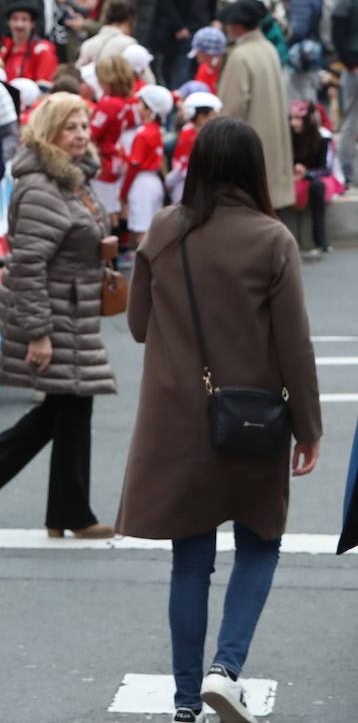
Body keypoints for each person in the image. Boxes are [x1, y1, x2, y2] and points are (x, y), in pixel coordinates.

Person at [117, 116, 321, 723]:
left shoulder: (163, 230)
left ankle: (185, 701)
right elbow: (296, 346)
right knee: (260, 543)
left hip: (178, 420)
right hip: (253, 419)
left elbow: (136, 325)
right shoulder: (272, 238)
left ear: (198, 166)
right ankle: (224, 670)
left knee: (190, 559)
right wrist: (307, 427)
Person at [0, 94, 116, 537]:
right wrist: (39, 334)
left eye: (84, 126)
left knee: (66, 411)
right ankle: (61, 511)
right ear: (50, 133)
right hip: (56, 315)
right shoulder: (42, 185)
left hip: (73, 311)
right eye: (70, 127)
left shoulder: (71, 179)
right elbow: (29, 263)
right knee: (69, 409)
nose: (81, 134)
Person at [217, 0, 295, 212]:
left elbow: (231, 110)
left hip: (248, 145)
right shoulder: (268, 48)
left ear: (236, 26)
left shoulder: (240, 56)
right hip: (270, 139)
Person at [121, 85, 173, 248]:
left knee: (143, 232)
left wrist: (123, 192)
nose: (138, 107)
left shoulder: (143, 133)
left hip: (142, 184)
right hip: (154, 182)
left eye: (142, 104)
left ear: (150, 109)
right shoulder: (157, 130)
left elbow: (134, 164)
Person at [88, 55, 137, 222]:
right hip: (114, 159)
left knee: (101, 213)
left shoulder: (109, 104)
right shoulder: (124, 102)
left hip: (103, 162)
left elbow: (91, 133)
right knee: (111, 211)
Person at [290, 100, 343, 254]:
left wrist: (307, 173)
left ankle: (321, 241)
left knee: (317, 186)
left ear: (311, 118)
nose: (294, 123)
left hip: (319, 179)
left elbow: (327, 168)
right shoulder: (288, 136)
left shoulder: (324, 137)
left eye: (298, 119)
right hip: (295, 180)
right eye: (292, 118)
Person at [277, 0, 327, 103]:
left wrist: (281, 32)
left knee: (302, 105)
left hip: (303, 61)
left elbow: (297, 31)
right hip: (313, 58)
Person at [329, 0, 358, 183]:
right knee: (352, 121)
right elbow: (337, 34)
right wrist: (350, 64)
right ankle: (347, 174)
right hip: (355, 67)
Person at [167, 91, 221, 203]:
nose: (216, 117)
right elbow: (182, 165)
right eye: (213, 114)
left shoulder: (206, 133)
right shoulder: (190, 134)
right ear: (201, 117)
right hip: (188, 184)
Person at [0, 1, 58, 85]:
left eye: (24, 19)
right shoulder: (5, 49)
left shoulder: (42, 50)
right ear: (9, 22)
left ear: (32, 23)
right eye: (15, 19)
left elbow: (45, 86)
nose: (19, 25)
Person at [188, 26, 226, 93]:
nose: (198, 58)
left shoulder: (229, 70)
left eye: (199, 53)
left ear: (211, 53)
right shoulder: (204, 68)